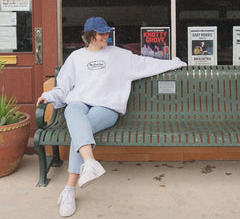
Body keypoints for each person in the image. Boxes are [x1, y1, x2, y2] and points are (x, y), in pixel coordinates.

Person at [36, 17, 187, 217]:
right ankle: (89, 163)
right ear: (90, 36)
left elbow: (146, 64)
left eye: (107, 32)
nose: (106, 37)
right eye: (101, 34)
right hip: (79, 103)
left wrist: (174, 63)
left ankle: (69, 190)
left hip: (106, 107)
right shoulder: (76, 57)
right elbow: (63, 87)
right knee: (73, 111)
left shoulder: (119, 55)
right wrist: (48, 96)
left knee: (79, 132)